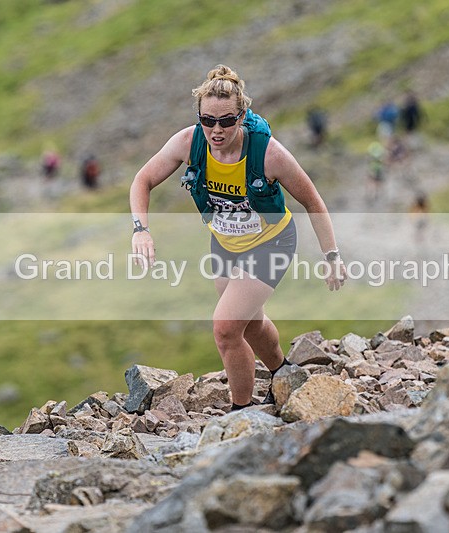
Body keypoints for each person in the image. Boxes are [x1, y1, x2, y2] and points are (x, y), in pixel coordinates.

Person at [130, 65, 346, 411]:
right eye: (207, 120)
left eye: (227, 121)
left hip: (271, 243)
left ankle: (240, 412)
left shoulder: (269, 153)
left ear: (242, 116)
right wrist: (141, 230)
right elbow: (142, 180)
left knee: (226, 328)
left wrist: (332, 256)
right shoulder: (189, 142)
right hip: (225, 244)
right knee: (249, 325)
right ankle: (283, 374)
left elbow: (312, 201)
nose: (216, 130)